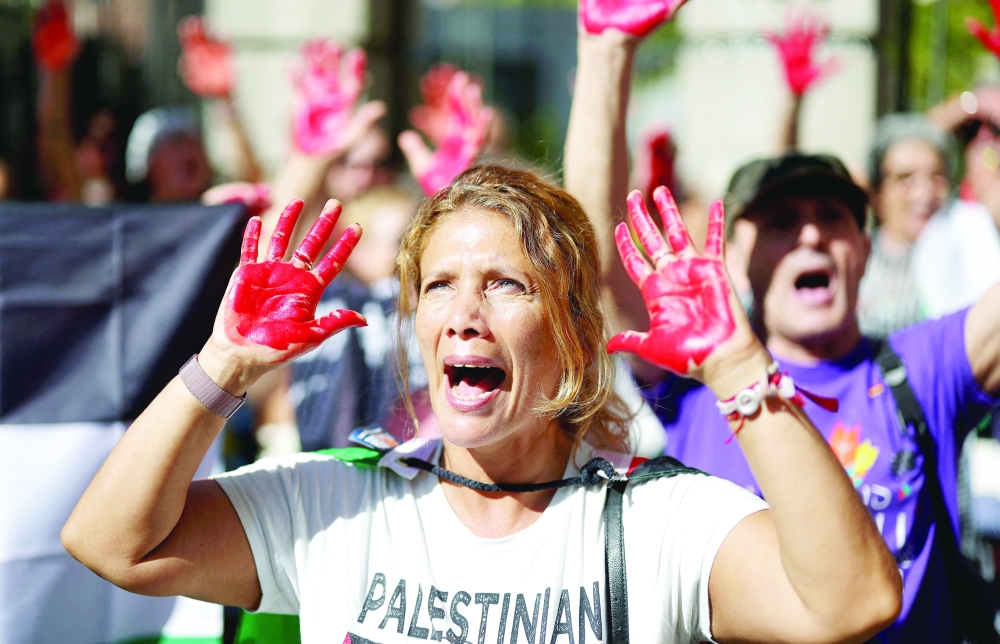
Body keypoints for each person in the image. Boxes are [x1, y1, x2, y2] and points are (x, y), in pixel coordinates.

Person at [61, 163, 900, 643]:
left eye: (504, 285)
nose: (464, 313)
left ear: (573, 331)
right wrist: (223, 365)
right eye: (439, 287)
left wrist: (737, 366)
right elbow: (110, 543)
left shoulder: (658, 520)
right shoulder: (336, 502)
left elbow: (852, 603)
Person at [561, 1, 997, 638]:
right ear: (733, 254)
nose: (812, 237)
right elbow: (596, 257)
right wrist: (605, 55)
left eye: (834, 217)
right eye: (781, 223)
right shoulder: (695, 376)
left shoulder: (925, 367)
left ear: (867, 246)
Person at [857, 113, 953, 337]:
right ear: (877, 193)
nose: (925, 193)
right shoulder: (856, 263)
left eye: (937, 177)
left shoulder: (971, 254)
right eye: (905, 178)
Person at [125, 106, 214, 202]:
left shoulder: (227, 213)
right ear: (149, 161)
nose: (190, 152)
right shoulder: (126, 215)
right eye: (178, 143)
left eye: (196, 144)